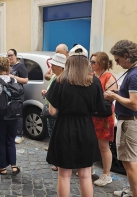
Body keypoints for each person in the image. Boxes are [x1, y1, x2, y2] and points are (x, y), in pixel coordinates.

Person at [46, 44, 105, 196]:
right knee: (85, 175)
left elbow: (52, 111)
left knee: (64, 174)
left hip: (64, 128)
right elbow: (99, 109)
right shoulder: (95, 82)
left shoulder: (59, 81)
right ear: (86, 62)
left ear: (69, 61)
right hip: (86, 129)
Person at [105, 40, 137, 197]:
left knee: (130, 163)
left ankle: (135, 195)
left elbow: (135, 104)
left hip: (131, 122)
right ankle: (132, 191)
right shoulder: (135, 72)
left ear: (126, 56)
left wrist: (115, 96)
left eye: (118, 60)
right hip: (130, 121)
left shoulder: (136, 75)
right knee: (129, 161)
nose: (117, 63)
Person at [89, 52, 117, 186]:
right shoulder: (94, 76)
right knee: (93, 143)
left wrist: (97, 95)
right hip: (93, 114)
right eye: (91, 62)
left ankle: (107, 174)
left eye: (94, 62)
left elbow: (112, 96)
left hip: (104, 116)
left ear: (102, 63)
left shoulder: (109, 77)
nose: (91, 64)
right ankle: (90, 167)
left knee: (104, 146)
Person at [41, 53, 66, 171]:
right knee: (52, 136)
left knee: (58, 137)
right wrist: (46, 92)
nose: (51, 67)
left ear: (61, 67)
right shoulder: (54, 77)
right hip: (50, 109)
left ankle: (58, 161)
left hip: (57, 112)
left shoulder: (63, 80)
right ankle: (55, 158)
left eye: (53, 65)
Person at [7, 49, 28, 144]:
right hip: (9, 93)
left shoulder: (20, 66)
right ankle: (12, 132)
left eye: (11, 55)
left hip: (18, 93)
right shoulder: (8, 66)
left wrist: (13, 77)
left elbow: (25, 80)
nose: (10, 57)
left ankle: (19, 135)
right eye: (8, 56)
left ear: (16, 55)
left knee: (18, 114)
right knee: (10, 113)